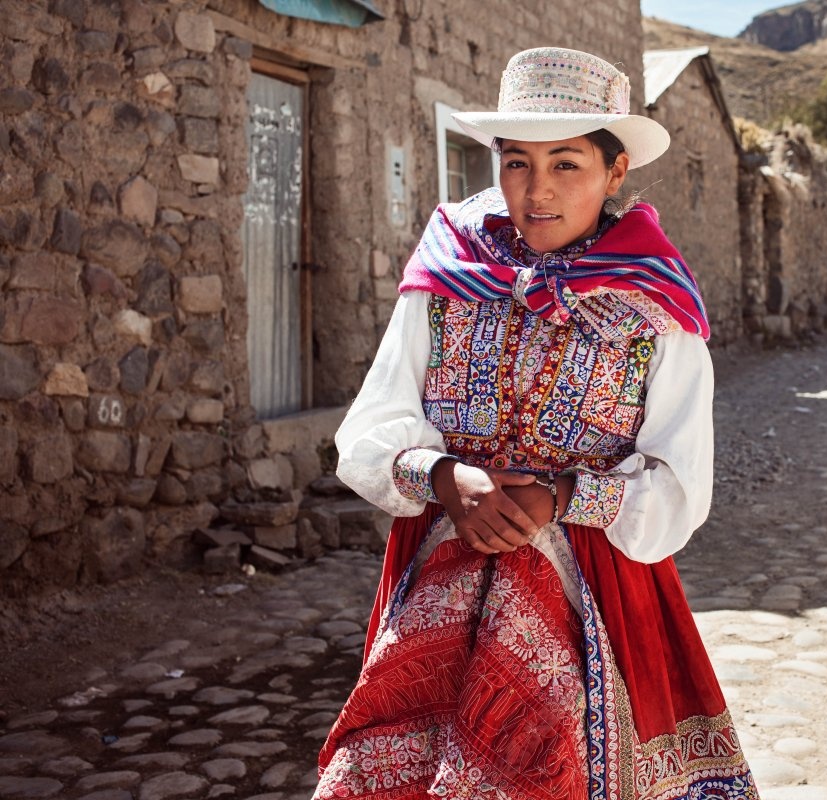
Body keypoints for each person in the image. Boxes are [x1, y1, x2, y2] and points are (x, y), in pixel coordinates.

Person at [312, 47, 758, 800]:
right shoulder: (448, 275)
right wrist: (445, 477)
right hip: (439, 582)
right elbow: (371, 426)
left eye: (567, 164)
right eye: (516, 163)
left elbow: (679, 485)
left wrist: (561, 498)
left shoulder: (656, 307)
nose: (537, 189)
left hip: (594, 594)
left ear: (616, 173)